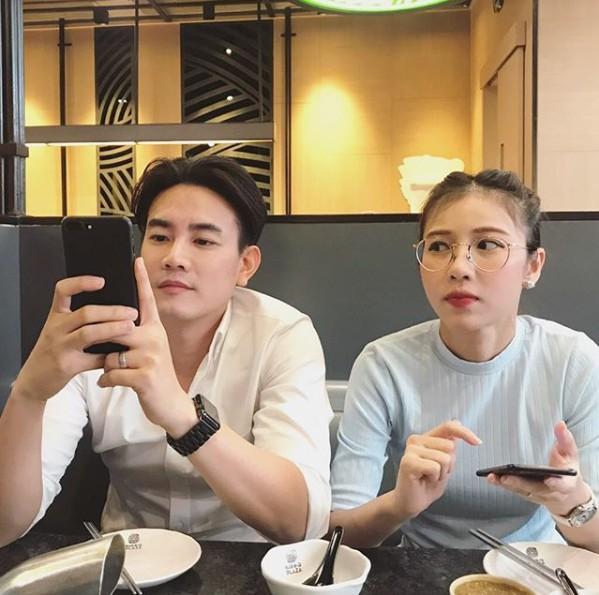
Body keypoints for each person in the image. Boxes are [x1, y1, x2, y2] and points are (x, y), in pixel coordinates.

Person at [0, 156, 332, 547]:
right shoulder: (94, 335)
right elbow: (5, 524)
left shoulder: (281, 335)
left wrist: (184, 417)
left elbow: (299, 522)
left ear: (245, 264)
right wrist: (29, 394)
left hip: (247, 563)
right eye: (159, 237)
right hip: (129, 561)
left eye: (203, 241)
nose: (174, 257)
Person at [330, 169, 599, 552]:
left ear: (533, 265)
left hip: (539, 569)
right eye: (439, 246)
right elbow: (336, 534)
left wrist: (570, 501)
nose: (458, 267)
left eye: (487, 244)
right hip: (421, 571)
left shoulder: (573, 361)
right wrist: (398, 505)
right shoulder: (384, 365)